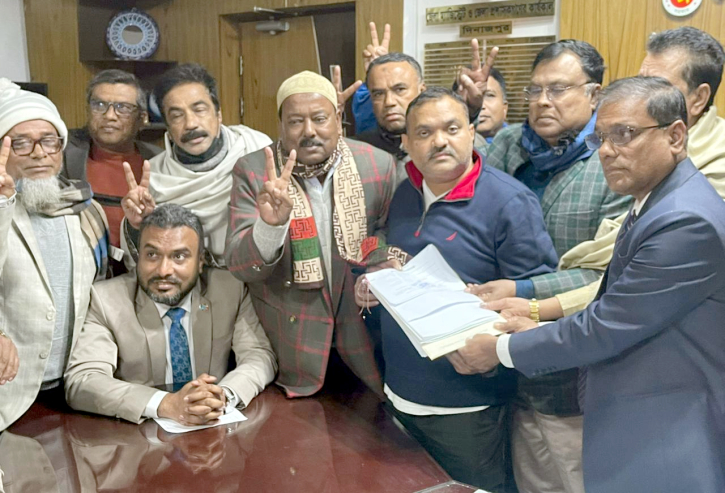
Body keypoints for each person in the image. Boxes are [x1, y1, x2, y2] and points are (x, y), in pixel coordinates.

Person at [451, 76, 725, 493]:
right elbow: (622, 307)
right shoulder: (659, 198)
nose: (607, 151)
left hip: (668, 429)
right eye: (601, 137)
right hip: (644, 413)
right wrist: (539, 327)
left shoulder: (685, 220)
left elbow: (607, 326)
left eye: (625, 134)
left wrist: (500, 350)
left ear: (675, 135)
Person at [355, 87, 557, 491]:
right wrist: (373, 283)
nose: (439, 141)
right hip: (399, 394)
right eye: (424, 133)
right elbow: (390, 253)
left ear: (471, 132)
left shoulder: (509, 201)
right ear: (406, 143)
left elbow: (537, 295)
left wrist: (495, 347)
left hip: (469, 405)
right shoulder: (404, 193)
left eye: (451, 129)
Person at [468, 39, 633, 493]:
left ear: (595, 94)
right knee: (529, 478)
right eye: (535, 90)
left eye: (558, 89)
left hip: (572, 363)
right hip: (499, 354)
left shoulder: (612, 161)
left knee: (577, 477)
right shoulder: (508, 144)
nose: (543, 101)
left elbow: (606, 273)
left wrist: (522, 290)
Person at [489, 26, 725, 322]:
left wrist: (537, 308)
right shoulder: (629, 149)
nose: (543, 101)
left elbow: (631, 285)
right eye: (641, 80)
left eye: (658, 84)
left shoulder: (710, 167)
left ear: (698, 98)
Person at [225, 71, 399, 397]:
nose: (309, 131)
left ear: (338, 118)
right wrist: (270, 226)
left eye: (319, 119)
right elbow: (240, 266)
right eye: (295, 121)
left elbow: (386, 233)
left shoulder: (377, 164)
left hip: (365, 340)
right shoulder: (254, 171)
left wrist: (379, 261)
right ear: (280, 125)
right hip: (291, 346)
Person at [65, 204, 276, 424]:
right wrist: (166, 403)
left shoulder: (230, 289)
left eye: (179, 256)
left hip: (212, 428)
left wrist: (223, 395)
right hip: (137, 435)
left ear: (200, 261)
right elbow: (83, 380)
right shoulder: (106, 300)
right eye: (152, 255)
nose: (164, 270)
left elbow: (258, 356)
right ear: (138, 257)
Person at [0, 79, 110, 431]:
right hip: (10, 396)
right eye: (21, 142)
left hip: (76, 388)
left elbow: (109, 293)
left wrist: (137, 229)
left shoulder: (85, 209)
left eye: (49, 140)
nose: (39, 153)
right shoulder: (2, 211)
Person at [122, 63, 272, 266]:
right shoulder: (155, 178)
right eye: (177, 116)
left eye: (199, 110)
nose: (191, 124)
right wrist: (137, 225)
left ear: (218, 115)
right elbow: (143, 259)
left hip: (256, 272)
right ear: (168, 129)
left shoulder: (256, 149)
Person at [353, 23, 495, 170]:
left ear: (421, 90)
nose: (389, 102)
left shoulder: (448, 142)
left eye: (400, 89)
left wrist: (469, 110)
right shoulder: (361, 151)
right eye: (378, 94)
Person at [63, 69, 162, 261]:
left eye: (123, 107)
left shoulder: (158, 160)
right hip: (81, 266)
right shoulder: (61, 154)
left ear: (141, 117)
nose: (109, 115)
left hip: (141, 266)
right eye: (99, 105)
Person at [476, 67, 509, 144]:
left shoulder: (519, 144)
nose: (481, 105)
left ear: (505, 108)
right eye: (471, 98)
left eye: (489, 95)